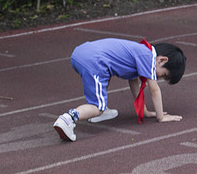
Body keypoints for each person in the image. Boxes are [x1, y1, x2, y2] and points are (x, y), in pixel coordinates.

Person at [53, 38, 186, 142]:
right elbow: (154, 89)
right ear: (162, 60)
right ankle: (69, 118)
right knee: (96, 105)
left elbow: (134, 83)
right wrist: (161, 117)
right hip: (94, 60)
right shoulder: (148, 56)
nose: (158, 77)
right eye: (163, 74)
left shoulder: (140, 52)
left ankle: (100, 112)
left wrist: (145, 111)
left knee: (103, 79)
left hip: (80, 53)